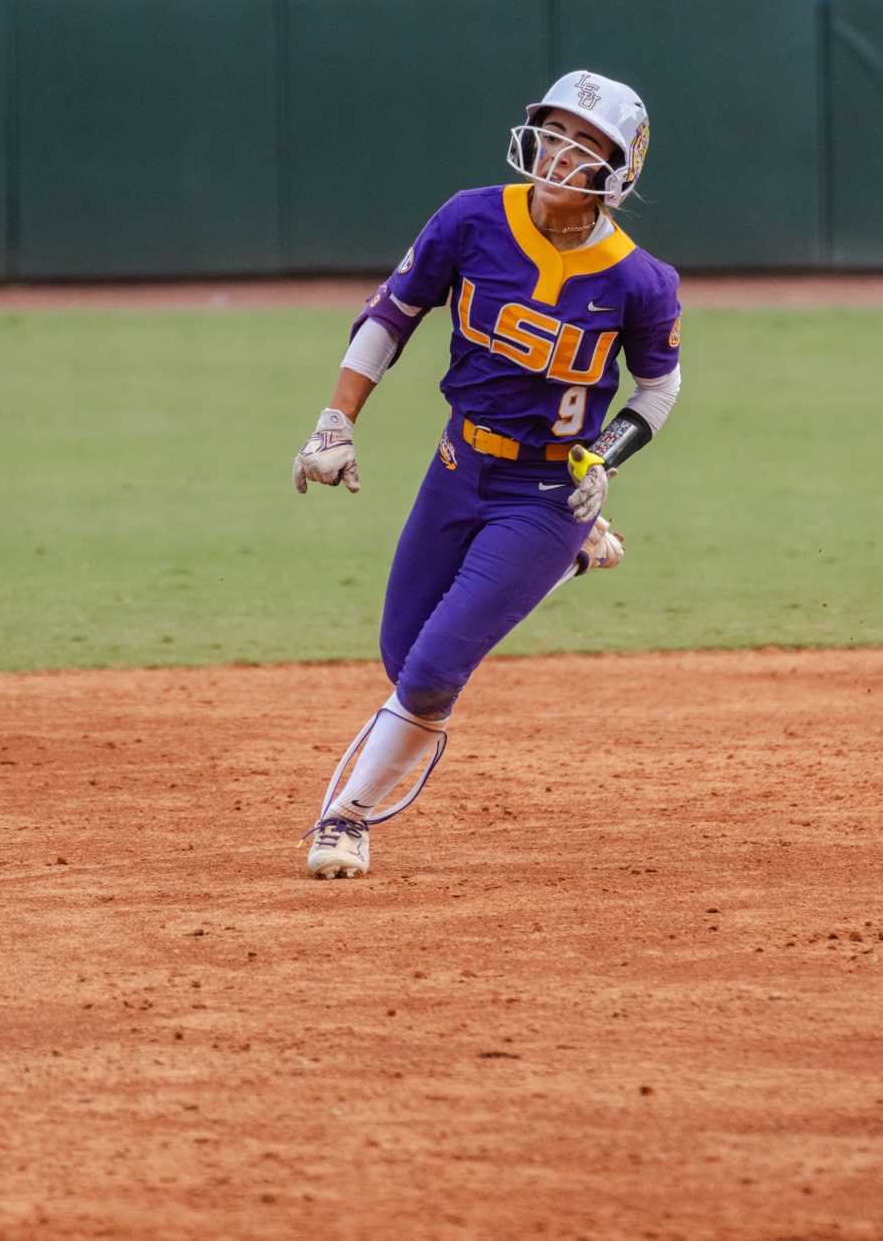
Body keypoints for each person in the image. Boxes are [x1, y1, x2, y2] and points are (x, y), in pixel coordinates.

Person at [291, 70, 684, 879]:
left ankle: (346, 817)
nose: (562, 151)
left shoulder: (640, 279)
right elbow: (393, 313)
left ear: (620, 169)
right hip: (455, 464)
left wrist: (605, 457)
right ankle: (574, 558)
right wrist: (336, 421)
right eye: (556, 131)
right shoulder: (473, 217)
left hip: (546, 491)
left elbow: (659, 385)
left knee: (434, 677)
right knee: (403, 656)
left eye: (587, 142)